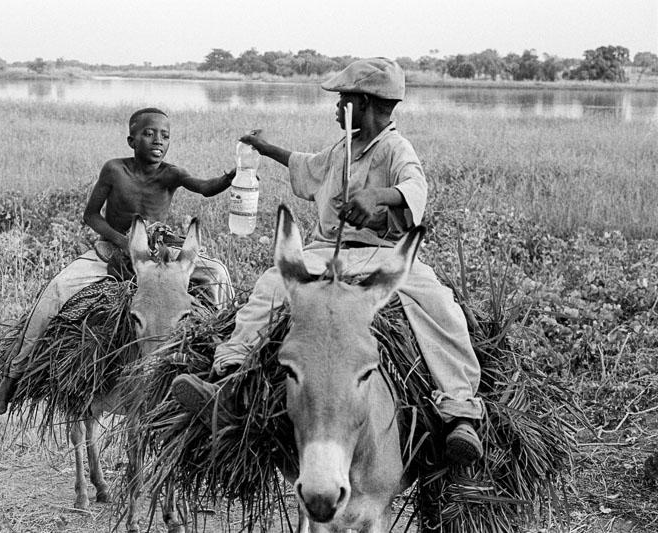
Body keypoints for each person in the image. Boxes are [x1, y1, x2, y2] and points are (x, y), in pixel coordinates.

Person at [170, 58, 485, 465]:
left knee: (441, 307)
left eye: (342, 100)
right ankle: (229, 378)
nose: (336, 108)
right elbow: (307, 166)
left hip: (380, 253)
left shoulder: (395, 149)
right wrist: (265, 149)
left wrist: (380, 197)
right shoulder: (341, 150)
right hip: (325, 253)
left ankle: (460, 414)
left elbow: (413, 186)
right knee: (271, 284)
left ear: (363, 105)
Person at [0, 107, 235, 416]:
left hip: (159, 253)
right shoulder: (114, 170)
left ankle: (225, 360)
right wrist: (122, 242)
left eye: (165, 136)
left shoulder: (173, 173)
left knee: (218, 273)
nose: (158, 140)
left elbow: (207, 187)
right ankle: (12, 377)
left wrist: (234, 175)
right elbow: (90, 215)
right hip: (111, 249)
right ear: (131, 140)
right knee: (55, 290)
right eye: (149, 133)